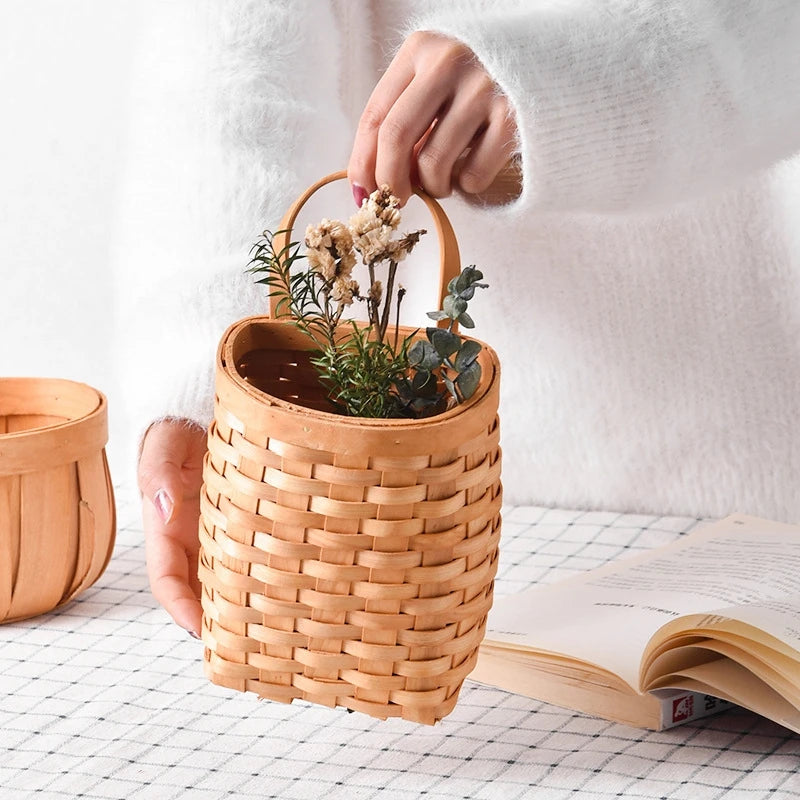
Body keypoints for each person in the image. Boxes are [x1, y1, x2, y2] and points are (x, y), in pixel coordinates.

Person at [128, 1, 800, 637]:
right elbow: (231, 64)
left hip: (757, 492)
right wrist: (207, 367)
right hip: (433, 522)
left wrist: (572, 87)